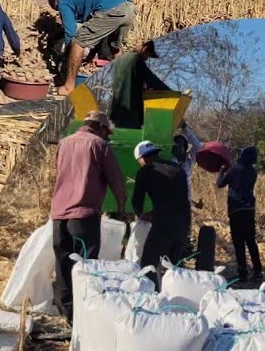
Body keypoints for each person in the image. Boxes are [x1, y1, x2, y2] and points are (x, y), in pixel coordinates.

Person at [49, 111, 128, 319]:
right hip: (84, 215)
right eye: (106, 132)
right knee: (86, 264)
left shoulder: (64, 143)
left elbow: (59, 172)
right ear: (100, 127)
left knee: (63, 261)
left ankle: (66, 311)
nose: (107, 136)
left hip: (58, 214)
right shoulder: (100, 145)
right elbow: (116, 180)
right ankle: (83, 313)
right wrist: (122, 207)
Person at [55, 0, 136, 96]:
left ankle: (69, 87)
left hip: (113, 8)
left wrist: (67, 58)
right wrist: (90, 56)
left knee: (77, 41)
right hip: (129, 7)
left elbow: (70, 33)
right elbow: (97, 34)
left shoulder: (64, 0)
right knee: (114, 47)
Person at [132, 141, 192, 290]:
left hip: (164, 224)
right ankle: (173, 297)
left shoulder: (146, 171)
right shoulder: (178, 169)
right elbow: (176, 199)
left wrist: (141, 214)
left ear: (142, 158)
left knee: (148, 262)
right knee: (173, 265)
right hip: (183, 223)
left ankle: (152, 295)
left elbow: (136, 201)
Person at [216, 146, 262, 283]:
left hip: (236, 209)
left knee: (239, 243)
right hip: (249, 209)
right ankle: (258, 271)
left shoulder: (235, 170)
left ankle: (243, 273)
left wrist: (221, 172)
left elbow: (219, 184)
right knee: (251, 241)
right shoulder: (253, 171)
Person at [107, 40, 171, 129]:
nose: (146, 59)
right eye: (148, 55)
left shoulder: (119, 60)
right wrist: (170, 93)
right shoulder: (136, 59)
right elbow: (152, 80)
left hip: (117, 111)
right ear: (144, 48)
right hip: (130, 112)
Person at [172, 122, 204, 203]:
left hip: (184, 203)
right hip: (170, 202)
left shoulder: (188, 160)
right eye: (177, 146)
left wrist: (185, 127)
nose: (179, 148)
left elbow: (198, 146)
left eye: (180, 145)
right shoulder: (169, 159)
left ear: (185, 147)